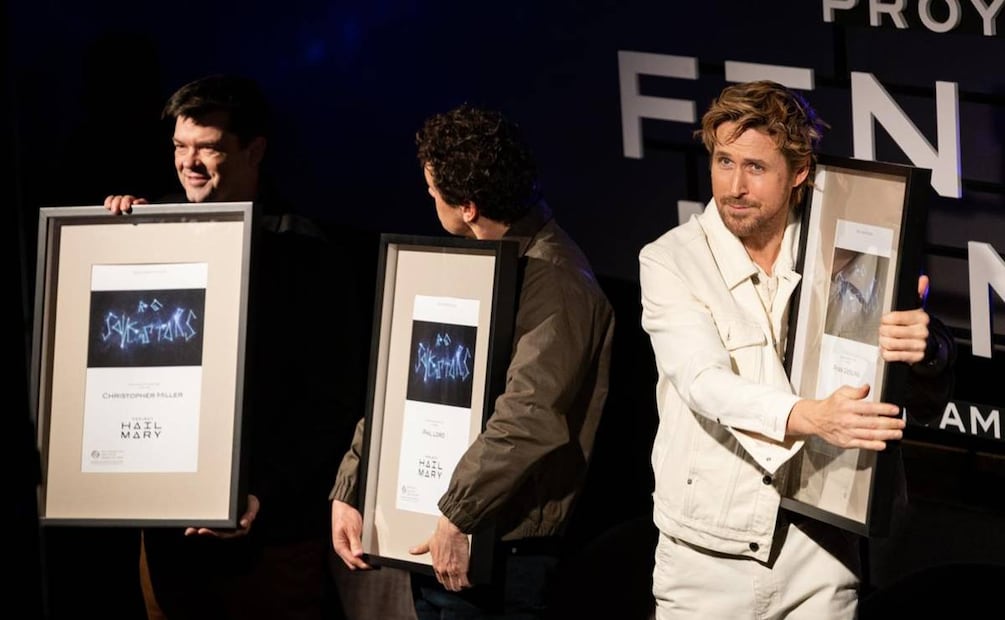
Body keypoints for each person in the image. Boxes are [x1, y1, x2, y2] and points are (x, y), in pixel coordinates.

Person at [639, 80, 954, 619]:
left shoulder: (846, 242)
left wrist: (924, 348)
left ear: (799, 172)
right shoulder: (670, 259)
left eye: (756, 168)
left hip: (821, 549)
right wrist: (813, 418)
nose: (734, 186)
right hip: (708, 558)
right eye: (724, 161)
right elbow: (701, 380)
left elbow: (916, 376)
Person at [329, 103, 616, 619]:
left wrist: (458, 513)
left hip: (501, 556)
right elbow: (405, 383)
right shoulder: (469, 265)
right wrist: (354, 485)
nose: (429, 198)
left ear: (467, 206)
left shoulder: (557, 281)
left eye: (433, 190)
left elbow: (528, 416)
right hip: (448, 533)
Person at [101, 74, 363, 620]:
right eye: (180, 147)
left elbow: (333, 404)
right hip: (170, 533)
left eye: (209, 149)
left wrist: (262, 493)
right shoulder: (153, 232)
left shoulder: (306, 255)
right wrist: (111, 239)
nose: (189, 163)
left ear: (255, 150)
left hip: (268, 537)